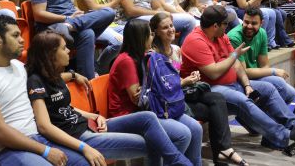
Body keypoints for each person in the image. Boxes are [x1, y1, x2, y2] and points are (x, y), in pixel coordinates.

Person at [180, 5, 295, 150]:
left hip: (233, 83)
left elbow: (237, 64)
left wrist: (247, 85)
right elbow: (214, 72)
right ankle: (284, 136)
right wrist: (234, 55)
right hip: (208, 89)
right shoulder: (196, 41)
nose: (228, 26)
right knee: (242, 100)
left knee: (268, 89)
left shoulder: (221, 36)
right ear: (215, 25)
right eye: (225, 23)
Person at [0, 14, 73, 166]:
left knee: (86, 162)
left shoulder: (20, 67)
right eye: (15, 35)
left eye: (20, 35)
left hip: (36, 140)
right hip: (1, 152)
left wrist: (73, 75)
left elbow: (46, 80)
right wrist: (44, 150)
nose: (22, 40)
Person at [26, 30, 148, 165]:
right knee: (149, 144)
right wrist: (83, 147)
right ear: (51, 55)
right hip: (78, 136)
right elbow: (44, 126)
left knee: (148, 118)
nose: (69, 51)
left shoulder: (54, 75)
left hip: (87, 125)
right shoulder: (35, 81)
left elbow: (66, 108)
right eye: (64, 48)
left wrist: (94, 116)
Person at [150, 12, 248, 166]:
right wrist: (184, 82)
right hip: (169, 102)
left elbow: (175, 76)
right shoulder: (153, 55)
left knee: (217, 98)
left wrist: (190, 78)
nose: (170, 29)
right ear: (155, 32)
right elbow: (163, 84)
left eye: (171, 25)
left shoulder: (176, 50)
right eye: (165, 28)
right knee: (215, 111)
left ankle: (223, 151)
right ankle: (221, 152)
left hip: (181, 94)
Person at [108, 20, 201, 165]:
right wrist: (155, 88)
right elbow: (137, 99)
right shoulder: (127, 60)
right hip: (130, 114)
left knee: (196, 128)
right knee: (183, 134)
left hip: (153, 107)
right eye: (150, 34)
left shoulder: (155, 54)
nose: (153, 37)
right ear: (142, 37)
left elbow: (167, 78)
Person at [228, 8, 295, 104]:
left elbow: (264, 65)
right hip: (241, 80)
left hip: (254, 75)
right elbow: (243, 72)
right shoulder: (234, 37)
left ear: (261, 23)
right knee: (279, 84)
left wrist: (270, 73)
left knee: (291, 93)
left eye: (254, 23)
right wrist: (274, 71)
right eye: (246, 22)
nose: (249, 26)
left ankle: (268, 111)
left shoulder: (262, 33)